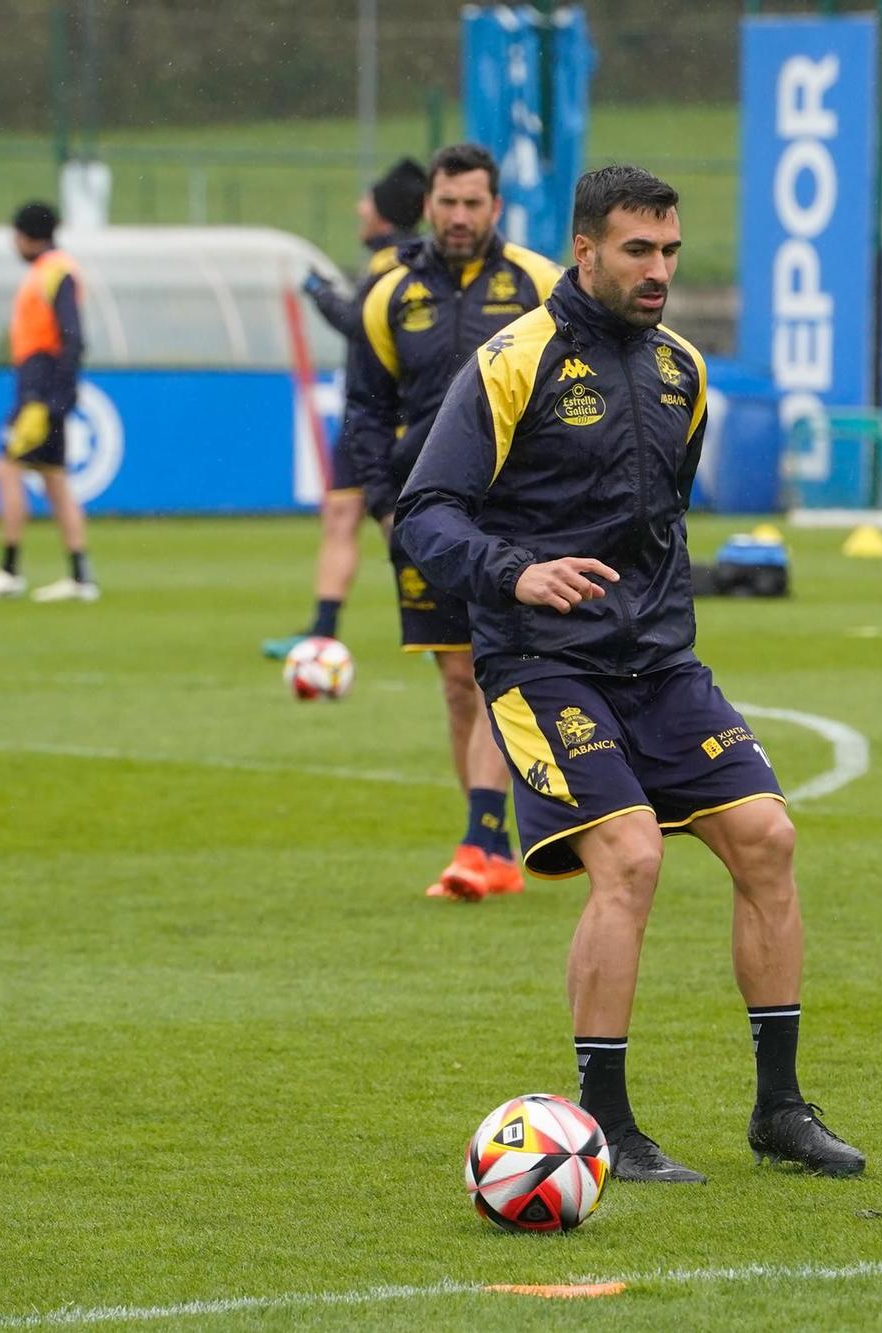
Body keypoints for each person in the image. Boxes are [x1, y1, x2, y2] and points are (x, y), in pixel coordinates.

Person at [395, 164, 865, 1182]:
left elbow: (659, 527)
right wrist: (518, 570)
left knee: (768, 838)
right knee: (631, 855)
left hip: (658, 663)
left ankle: (779, 1110)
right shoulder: (510, 362)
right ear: (584, 249)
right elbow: (424, 515)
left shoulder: (680, 372)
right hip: (540, 666)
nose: (659, 271)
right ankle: (602, 1121)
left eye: (671, 253)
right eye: (637, 251)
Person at [343, 143, 562, 901]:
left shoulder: (541, 284)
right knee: (457, 682)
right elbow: (366, 410)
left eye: (474, 204)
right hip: (426, 513)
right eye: (448, 203)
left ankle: (482, 841)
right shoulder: (388, 295)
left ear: (496, 208)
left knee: (494, 671)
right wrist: (381, 502)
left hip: (516, 514)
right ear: (429, 205)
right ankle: (491, 841)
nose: (460, 217)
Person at [263, 158, 428, 660]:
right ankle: (323, 629)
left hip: (391, 416)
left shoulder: (400, 265)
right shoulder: (391, 262)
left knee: (404, 521)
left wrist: (318, 293)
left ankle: (439, 620)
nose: (360, 208)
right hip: (364, 415)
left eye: (368, 202)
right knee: (340, 516)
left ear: (383, 214)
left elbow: (358, 323)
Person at [0, 202, 97, 603]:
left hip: (40, 392)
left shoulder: (55, 272)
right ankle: (80, 575)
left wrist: (53, 394)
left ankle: (9, 569)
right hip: (45, 388)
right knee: (54, 478)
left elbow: (72, 336)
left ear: (24, 236)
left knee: (6, 468)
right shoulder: (52, 271)